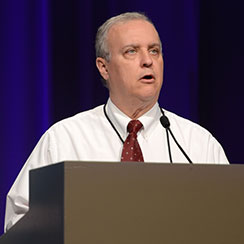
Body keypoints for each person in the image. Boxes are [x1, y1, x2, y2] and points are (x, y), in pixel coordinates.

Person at [4, 12, 229, 232]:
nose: (148, 61)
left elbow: (230, 220)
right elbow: (20, 223)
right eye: (131, 51)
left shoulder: (198, 144)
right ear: (104, 67)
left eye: (154, 50)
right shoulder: (65, 139)